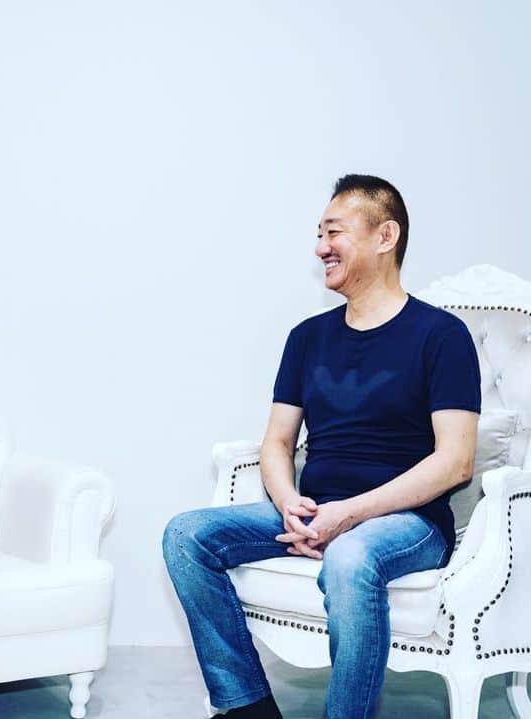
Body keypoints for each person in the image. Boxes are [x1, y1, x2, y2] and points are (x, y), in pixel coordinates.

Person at [162, 175, 481, 719]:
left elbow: (456, 462)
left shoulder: (441, 335)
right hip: (316, 510)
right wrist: (289, 502)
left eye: (334, 232)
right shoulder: (307, 337)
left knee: (351, 555)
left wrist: (349, 515)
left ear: (385, 237)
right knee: (185, 535)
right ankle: (248, 709)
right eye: (318, 233)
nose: (320, 247)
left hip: (407, 521)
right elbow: (277, 442)